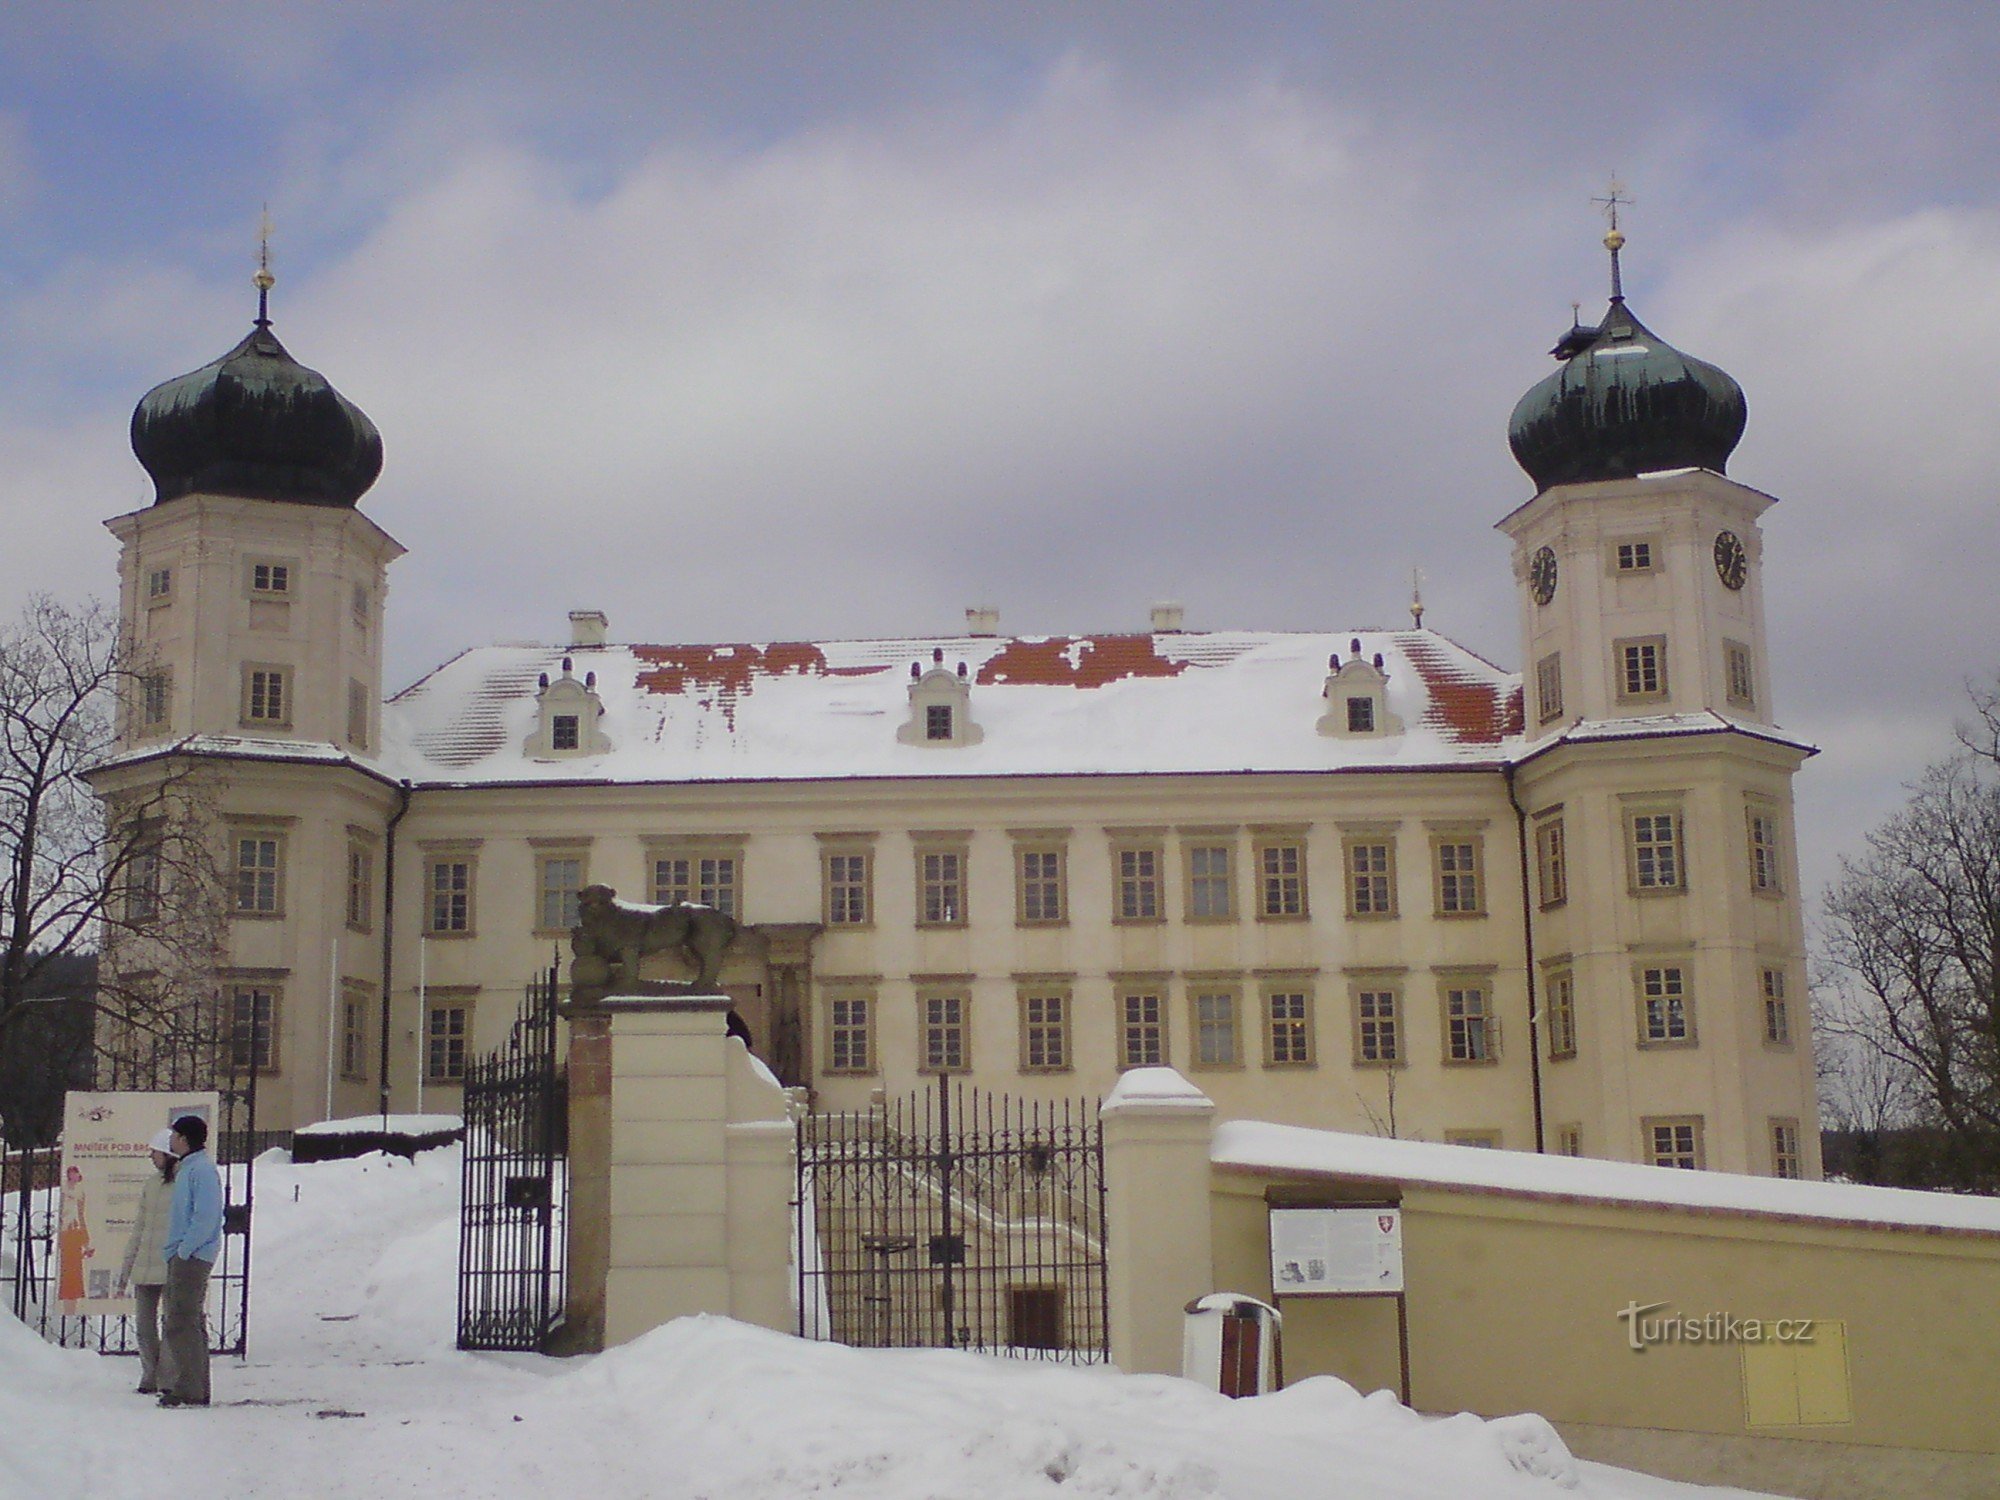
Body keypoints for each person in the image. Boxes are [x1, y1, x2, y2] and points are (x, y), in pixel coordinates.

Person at [158, 1114, 222, 1409]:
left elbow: (206, 1216)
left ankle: (189, 1388)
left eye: (173, 1135)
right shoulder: (190, 1168)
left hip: (192, 1256)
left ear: (184, 1138)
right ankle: (194, 1385)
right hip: (186, 1253)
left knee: (180, 1321)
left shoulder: (202, 1170)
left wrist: (184, 1249)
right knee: (187, 1321)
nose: (170, 1140)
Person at [115, 1129, 179, 1395]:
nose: (151, 1156)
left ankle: (167, 1378)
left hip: (171, 1266)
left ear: (168, 1153)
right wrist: (125, 1270)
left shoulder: (184, 1184)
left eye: (154, 1152)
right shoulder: (151, 1185)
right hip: (144, 1266)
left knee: (172, 1324)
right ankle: (149, 1374)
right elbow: (139, 1230)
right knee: (144, 1326)